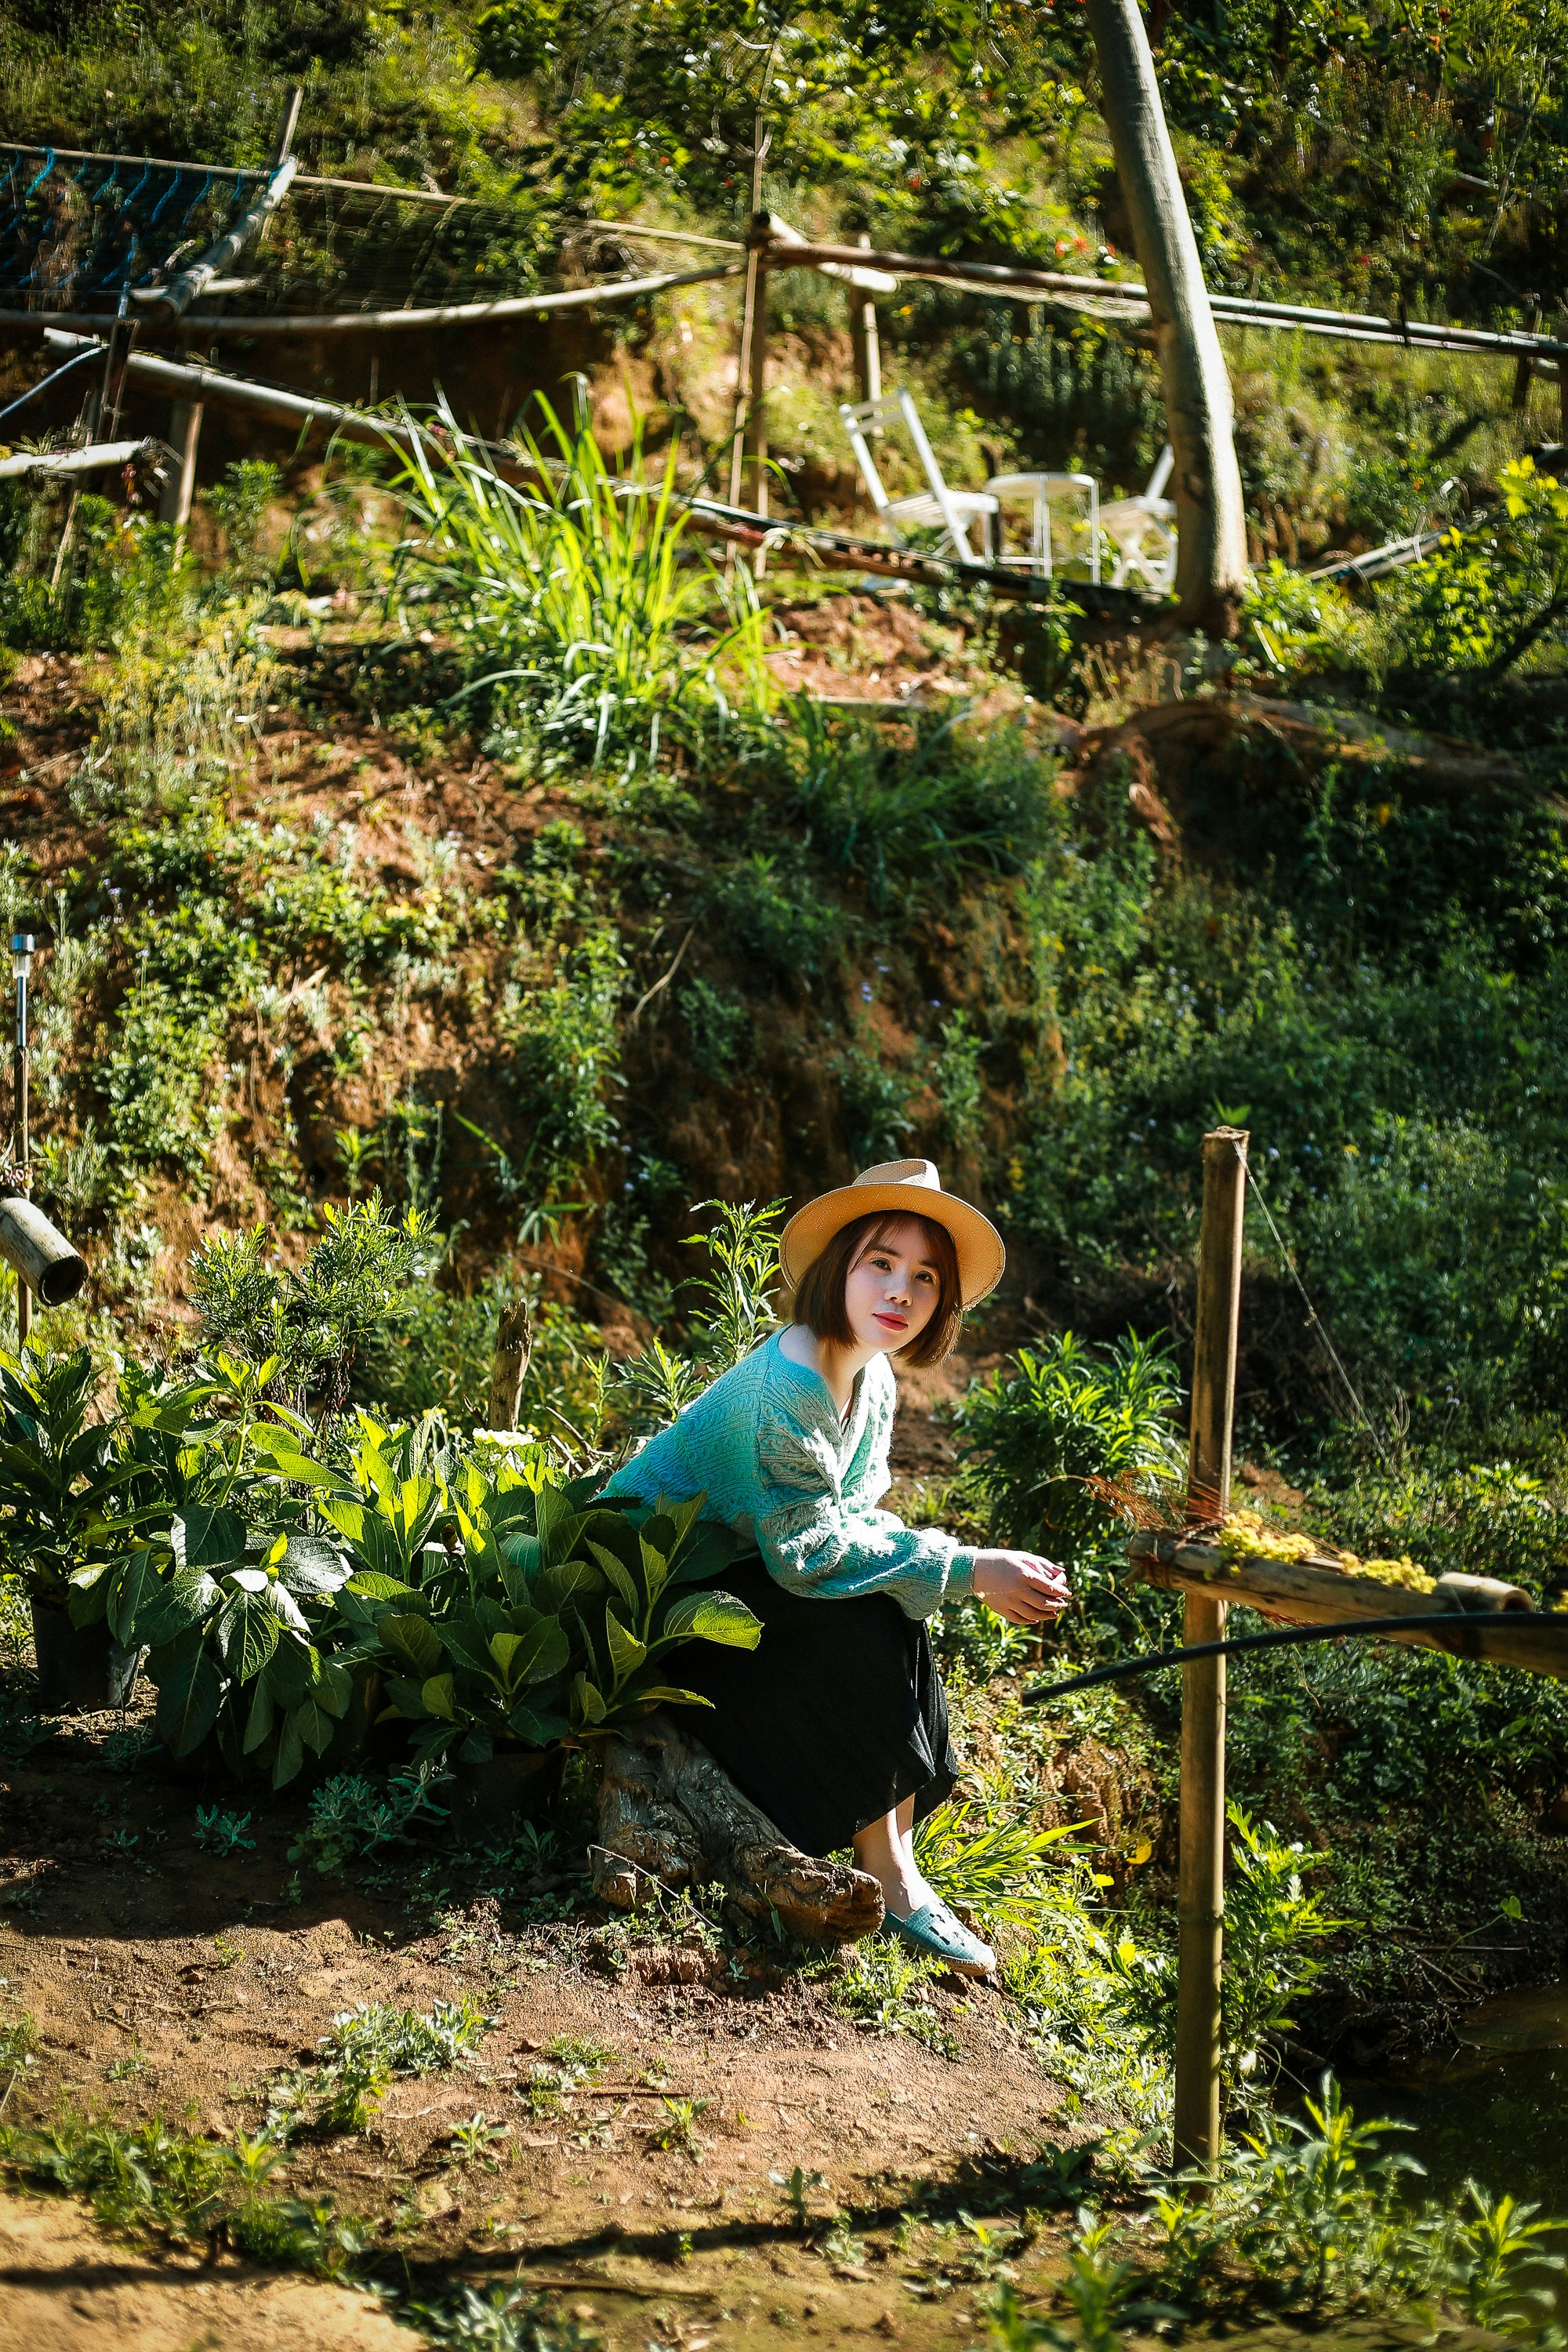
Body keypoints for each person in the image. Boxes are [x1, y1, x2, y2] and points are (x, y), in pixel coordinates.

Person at [603, 1159, 1069, 1976]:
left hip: (738, 1579)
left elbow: (849, 1522)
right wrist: (964, 1567)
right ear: (838, 1269)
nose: (901, 1291)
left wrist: (948, 1569)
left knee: (890, 1599)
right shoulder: (786, 1386)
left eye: (925, 1276)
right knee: (867, 1607)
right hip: (649, 1600)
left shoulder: (871, 1375)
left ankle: (891, 1860)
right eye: (880, 1264)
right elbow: (808, 1555)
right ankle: (889, 1876)